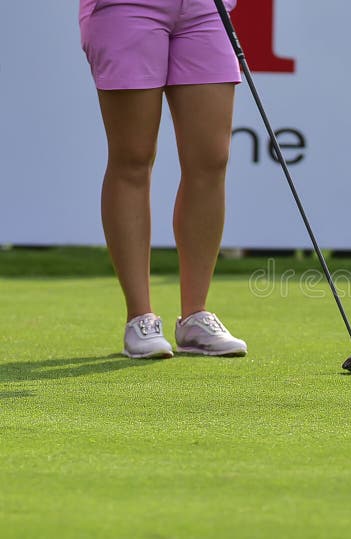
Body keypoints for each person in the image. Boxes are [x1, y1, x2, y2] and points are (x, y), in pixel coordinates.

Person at [79, 0, 247, 358]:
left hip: (204, 7)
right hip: (127, 6)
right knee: (133, 157)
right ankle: (139, 318)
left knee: (211, 158)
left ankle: (195, 317)